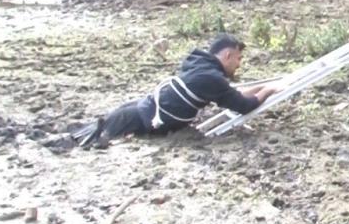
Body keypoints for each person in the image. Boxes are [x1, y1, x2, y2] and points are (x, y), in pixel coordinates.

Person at [74, 33, 280, 148]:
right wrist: (269, 90)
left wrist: (261, 87)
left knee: (90, 134)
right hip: (141, 118)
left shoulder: (201, 65)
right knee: (90, 141)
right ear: (227, 56)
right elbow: (243, 106)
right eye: (238, 58)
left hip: (138, 109)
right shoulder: (212, 78)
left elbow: (232, 94)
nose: (239, 64)